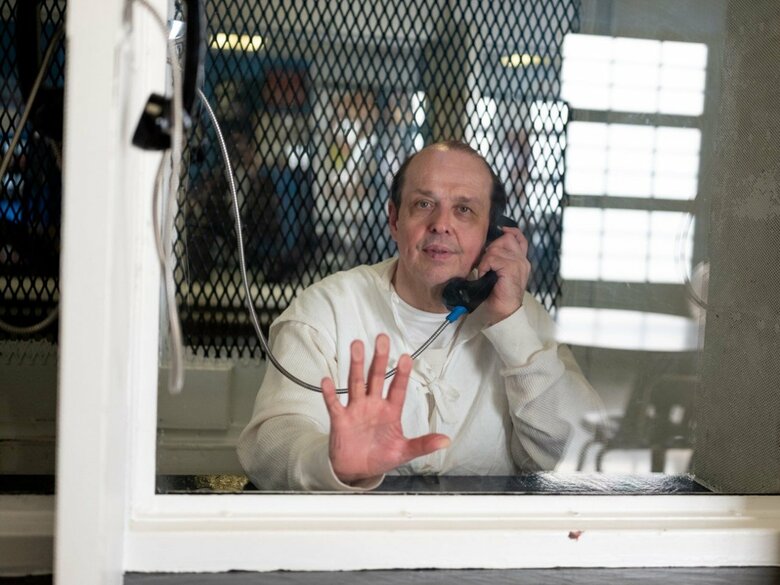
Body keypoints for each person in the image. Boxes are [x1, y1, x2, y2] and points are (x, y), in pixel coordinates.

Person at [237, 141, 590, 490]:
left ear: (492, 232)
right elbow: (269, 445)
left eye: (464, 209)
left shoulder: (521, 315)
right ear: (394, 220)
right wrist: (330, 463)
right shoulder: (326, 310)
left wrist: (510, 325)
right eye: (424, 204)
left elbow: (577, 455)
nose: (441, 224)